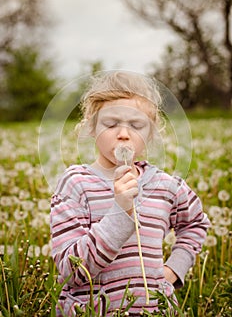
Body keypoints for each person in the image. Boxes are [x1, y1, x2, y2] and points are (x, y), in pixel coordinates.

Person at [50, 71, 210, 316]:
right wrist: (120, 211)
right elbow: (71, 272)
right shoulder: (75, 183)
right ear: (92, 127)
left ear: (150, 134)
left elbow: (196, 223)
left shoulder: (165, 185)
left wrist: (173, 270)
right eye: (111, 123)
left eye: (136, 125)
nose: (123, 133)